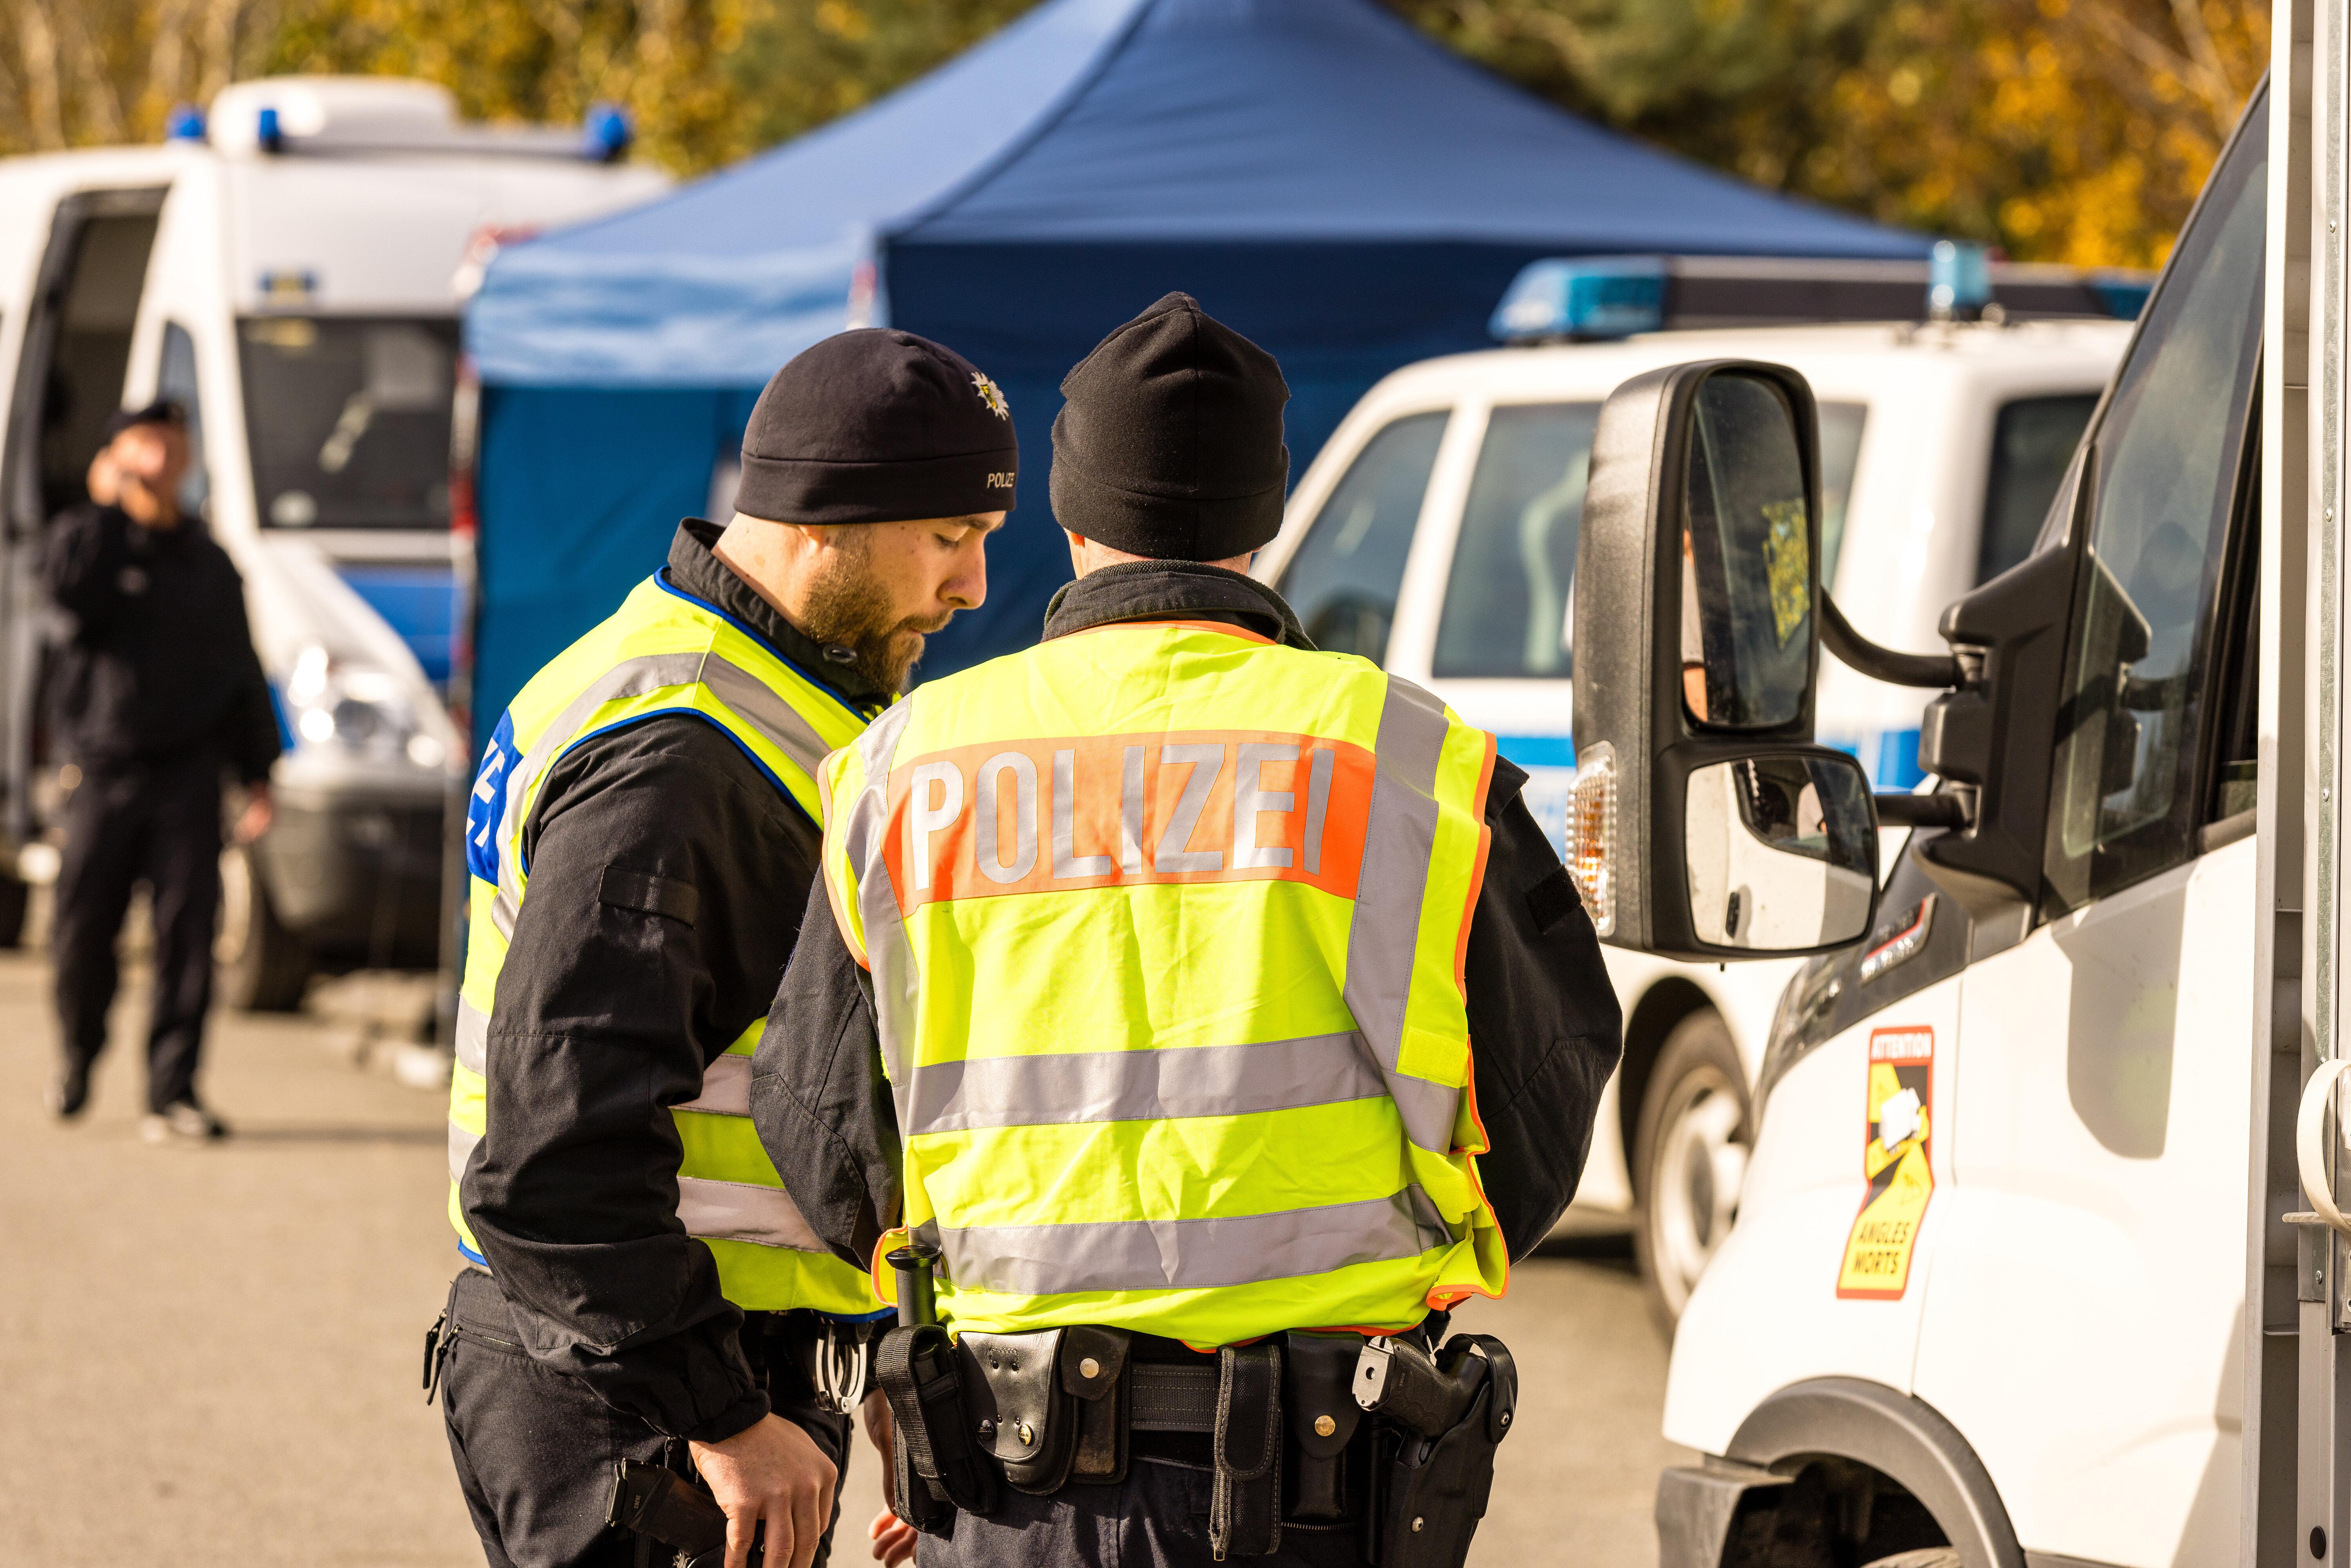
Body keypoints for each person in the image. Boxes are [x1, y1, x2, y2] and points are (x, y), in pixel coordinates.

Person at [750, 293, 1623, 1568]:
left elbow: (816, 1127)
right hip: (1315, 1483)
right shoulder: (1402, 758)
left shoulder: (908, 766)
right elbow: (1545, 1093)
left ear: (1072, 515)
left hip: (1007, 1485)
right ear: (1262, 522)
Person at [430, 329, 1014, 1568]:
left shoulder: (696, 676)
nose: (970, 588)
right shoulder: (691, 751)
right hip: (645, 1400)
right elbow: (550, 1160)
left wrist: (875, 1364)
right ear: (827, 521)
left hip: (645, 1369)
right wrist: (726, 1412)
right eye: (950, 540)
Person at [42, 400, 277, 1139]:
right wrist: (111, 505)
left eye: (171, 447)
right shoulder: (90, 541)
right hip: (102, 772)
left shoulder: (208, 560)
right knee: (82, 931)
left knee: (187, 938)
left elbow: (241, 667)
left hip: (188, 775)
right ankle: (80, 1053)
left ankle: (172, 1090)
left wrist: (258, 770)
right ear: (115, 457)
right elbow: (67, 597)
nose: (159, 460)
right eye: (143, 445)